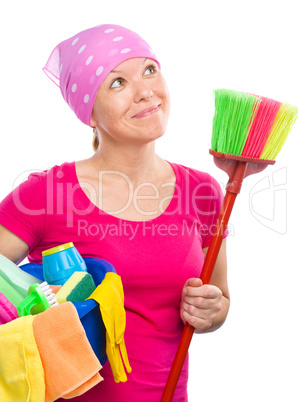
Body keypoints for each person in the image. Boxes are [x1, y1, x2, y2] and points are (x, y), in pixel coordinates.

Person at [0, 24, 229, 401]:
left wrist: (212, 311)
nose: (145, 92)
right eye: (118, 83)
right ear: (89, 113)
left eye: (149, 70)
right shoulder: (47, 193)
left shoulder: (202, 190)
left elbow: (219, 297)